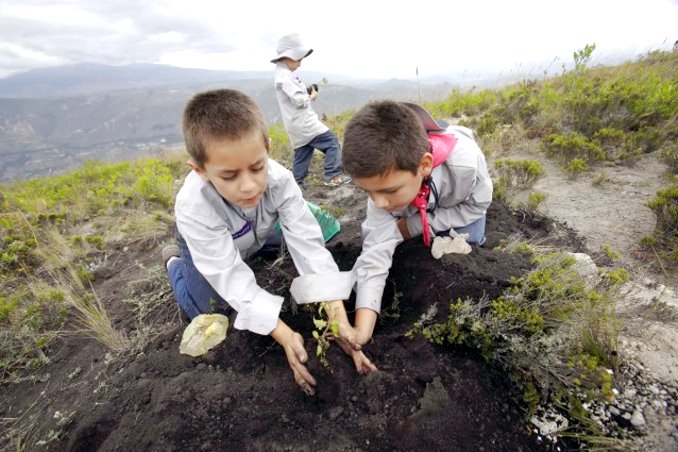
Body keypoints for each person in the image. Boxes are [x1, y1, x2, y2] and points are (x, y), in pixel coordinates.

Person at [162, 89, 375, 395]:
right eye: (229, 176)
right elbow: (231, 277)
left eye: (257, 167)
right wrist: (284, 334)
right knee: (210, 312)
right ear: (200, 170)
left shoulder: (280, 180)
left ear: (267, 148)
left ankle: (256, 246)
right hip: (209, 246)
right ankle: (173, 264)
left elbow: (308, 247)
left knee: (315, 234)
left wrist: (337, 315)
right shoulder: (193, 206)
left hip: (256, 232)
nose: (248, 185)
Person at [341, 100, 493, 345]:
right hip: (419, 198)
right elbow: (375, 253)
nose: (379, 203)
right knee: (394, 244)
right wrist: (362, 330)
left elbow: (478, 205)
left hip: (460, 203)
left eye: (389, 190)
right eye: (369, 192)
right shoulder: (383, 194)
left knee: (471, 242)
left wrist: (411, 227)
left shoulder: (465, 166)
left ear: (424, 165)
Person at [271, 33, 351, 188]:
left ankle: (295, 184)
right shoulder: (285, 75)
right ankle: (332, 176)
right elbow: (299, 100)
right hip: (304, 122)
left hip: (294, 124)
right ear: (289, 57)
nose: (300, 64)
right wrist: (311, 96)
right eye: (299, 59)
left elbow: (293, 95)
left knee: (303, 151)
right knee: (332, 142)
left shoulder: (281, 73)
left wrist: (306, 91)